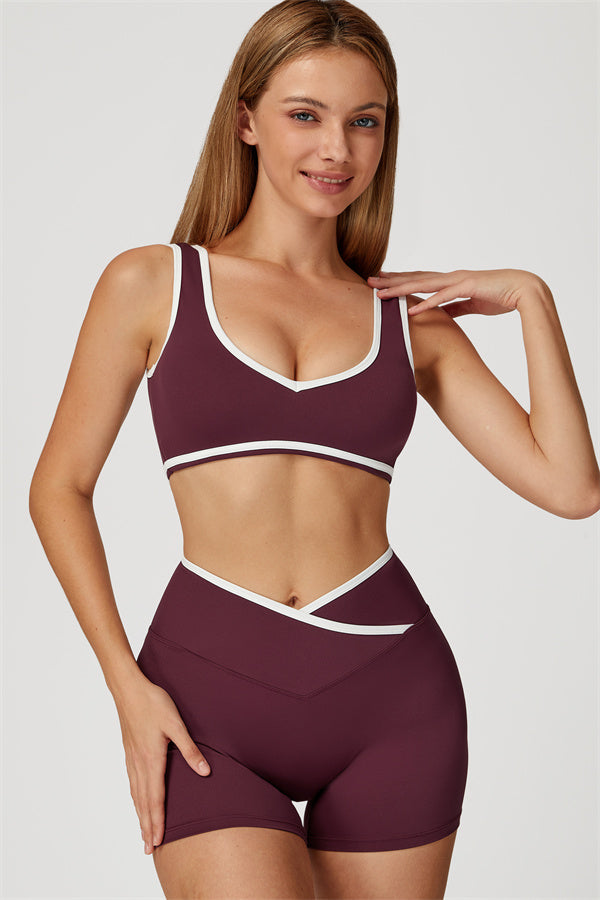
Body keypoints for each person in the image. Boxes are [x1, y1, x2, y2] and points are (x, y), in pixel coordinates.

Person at [28, 0, 600, 897]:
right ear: (247, 120)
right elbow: (58, 488)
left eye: (364, 121)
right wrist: (125, 687)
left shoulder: (408, 323)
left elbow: (572, 488)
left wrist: (533, 299)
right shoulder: (154, 284)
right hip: (205, 703)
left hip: (394, 702)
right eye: (306, 114)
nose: (337, 149)